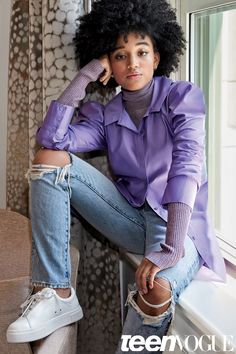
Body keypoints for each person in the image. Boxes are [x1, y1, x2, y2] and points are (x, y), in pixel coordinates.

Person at [7, 0, 226, 351]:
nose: (133, 63)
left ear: (157, 57)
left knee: (154, 290)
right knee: (50, 158)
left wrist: (170, 249)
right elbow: (51, 139)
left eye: (142, 52)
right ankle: (57, 292)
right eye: (120, 55)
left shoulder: (182, 97)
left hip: (177, 228)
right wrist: (85, 75)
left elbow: (187, 166)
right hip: (128, 220)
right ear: (110, 62)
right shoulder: (104, 114)